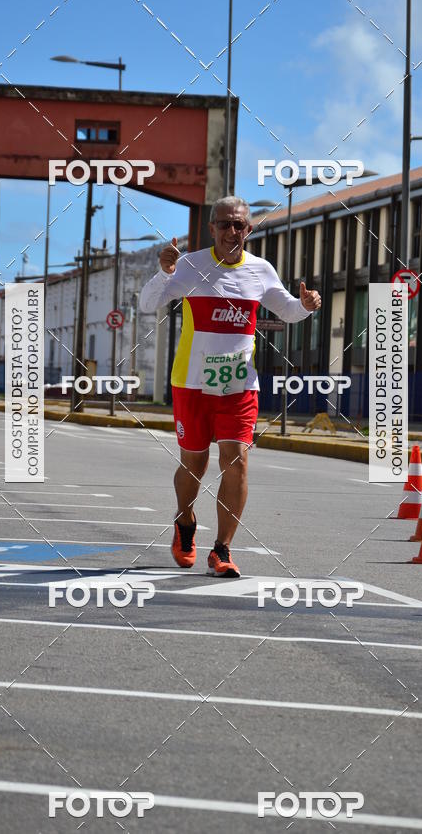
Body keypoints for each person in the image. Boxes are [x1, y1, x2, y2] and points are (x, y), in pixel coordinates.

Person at [139, 196, 321, 577]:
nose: (231, 232)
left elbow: (286, 310)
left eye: (239, 225)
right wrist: (164, 272)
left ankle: (221, 549)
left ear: (249, 230)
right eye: (224, 224)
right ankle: (185, 520)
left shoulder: (260, 270)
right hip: (191, 384)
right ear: (212, 230)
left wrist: (305, 305)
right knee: (195, 462)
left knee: (236, 459)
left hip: (239, 385)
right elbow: (147, 304)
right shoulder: (190, 265)